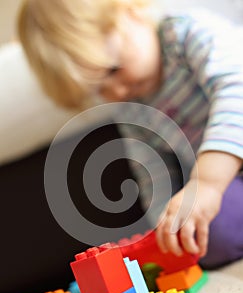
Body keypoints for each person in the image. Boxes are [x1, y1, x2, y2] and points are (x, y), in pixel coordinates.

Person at [17, 0, 243, 269]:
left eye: (113, 70)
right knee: (204, 234)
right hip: (229, 184)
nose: (117, 92)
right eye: (99, 90)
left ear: (132, 13)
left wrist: (206, 183)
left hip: (217, 176)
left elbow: (236, 91)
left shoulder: (188, 36)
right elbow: (152, 170)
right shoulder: (130, 106)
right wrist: (165, 225)